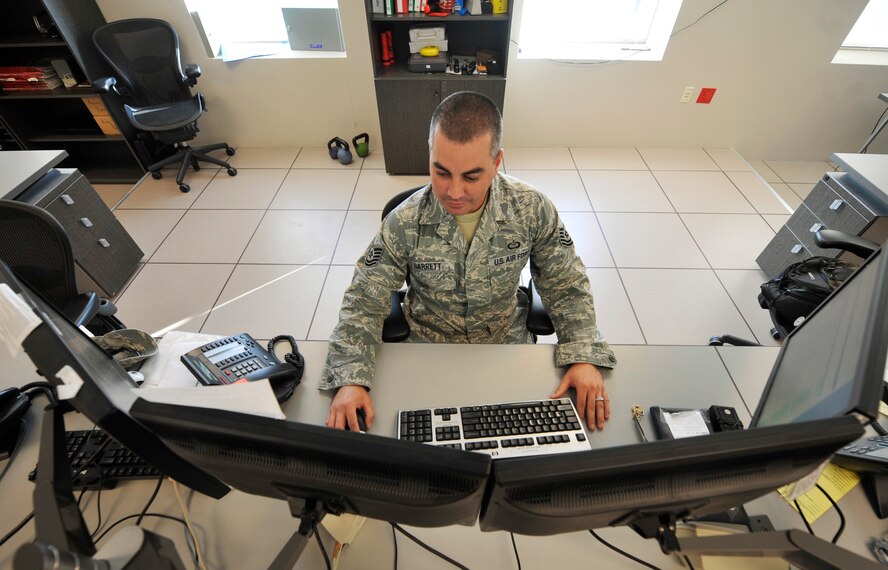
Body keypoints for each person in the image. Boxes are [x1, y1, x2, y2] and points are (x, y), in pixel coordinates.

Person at [320, 91, 616, 432]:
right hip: (428, 349)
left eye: (472, 176)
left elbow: (566, 283)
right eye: (441, 171)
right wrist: (350, 379)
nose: (454, 192)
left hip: (506, 346)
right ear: (429, 151)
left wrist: (580, 354)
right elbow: (363, 300)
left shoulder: (532, 209)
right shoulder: (404, 222)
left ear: (497, 161)